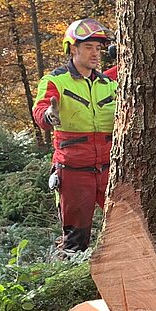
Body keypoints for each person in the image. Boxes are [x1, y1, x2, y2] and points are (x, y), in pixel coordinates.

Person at [33, 18, 117, 252]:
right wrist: (49, 116)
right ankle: (70, 282)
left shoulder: (108, 84)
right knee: (76, 240)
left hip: (110, 168)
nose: (95, 54)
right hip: (73, 171)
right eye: (89, 47)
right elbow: (40, 110)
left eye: (98, 49)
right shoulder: (55, 81)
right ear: (73, 49)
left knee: (126, 229)